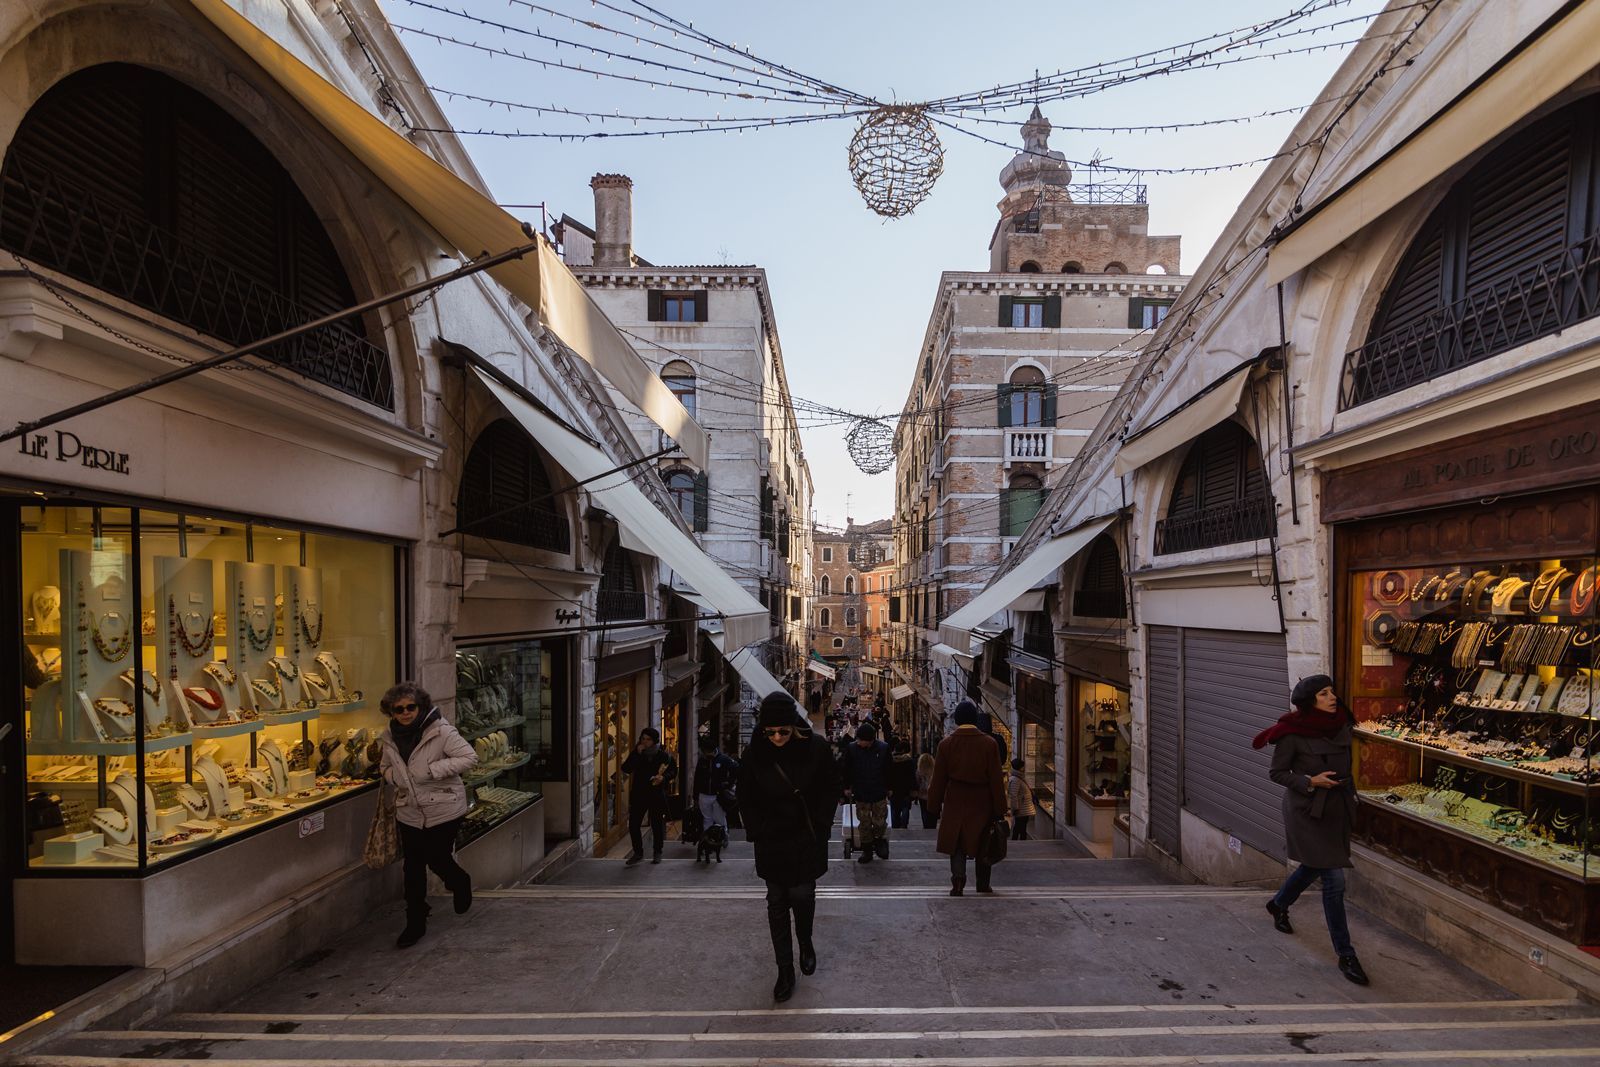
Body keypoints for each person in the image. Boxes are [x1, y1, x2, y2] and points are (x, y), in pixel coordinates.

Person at [1252, 674, 1368, 986]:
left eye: (1332, 691)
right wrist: (1310, 781)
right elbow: (1277, 772)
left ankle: (1278, 904)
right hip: (1307, 811)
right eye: (1324, 694)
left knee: (1313, 866)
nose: (1332, 698)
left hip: (1337, 810)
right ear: (1309, 702)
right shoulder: (1292, 733)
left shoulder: (1342, 724)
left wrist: (1352, 797)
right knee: (1334, 880)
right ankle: (1346, 954)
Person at [739, 692, 841, 1002]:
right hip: (771, 838)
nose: (777, 738)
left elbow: (831, 786)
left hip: (806, 835)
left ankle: (805, 941)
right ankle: (784, 969)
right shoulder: (754, 753)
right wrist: (757, 829)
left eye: (783, 731)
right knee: (777, 903)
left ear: (794, 727)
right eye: (770, 732)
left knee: (802, 895)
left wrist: (821, 824)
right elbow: (745, 794)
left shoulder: (817, 748)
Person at [377, 682, 478, 948]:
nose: (405, 713)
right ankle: (415, 920)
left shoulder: (440, 731)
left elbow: (469, 757)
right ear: (391, 712)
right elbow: (384, 767)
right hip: (409, 810)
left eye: (410, 707)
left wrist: (433, 770)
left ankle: (459, 881)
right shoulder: (389, 737)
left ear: (421, 707)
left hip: (444, 807)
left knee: (437, 858)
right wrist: (394, 777)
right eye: (398, 709)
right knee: (412, 867)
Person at [929, 700, 1007, 895]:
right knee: (983, 841)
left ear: (957, 719)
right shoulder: (989, 744)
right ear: (974, 719)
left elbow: (938, 779)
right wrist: (1000, 808)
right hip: (982, 801)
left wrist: (933, 805)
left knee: (957, 842)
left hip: (955, 799)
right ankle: (983, 883)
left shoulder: (946, 744)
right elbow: (996, 779)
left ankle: (958, 880)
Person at [621, 726, 677, 866]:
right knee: (634, 824)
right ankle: (638, 852)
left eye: (648, 739)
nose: (644, 742)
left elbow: (672, 771)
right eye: (643, 739)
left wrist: (663, 778)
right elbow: (626, 768)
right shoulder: (638, 753)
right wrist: (636, 754)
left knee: (657, 824)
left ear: (654, 741)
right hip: (639, 794)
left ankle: (657, 851)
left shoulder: (663, 756)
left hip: (656, 794)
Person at [840, 722, 892, 862]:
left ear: (869, 740)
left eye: (860, 740)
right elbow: (846, 769)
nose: (858, 742)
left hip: (878, 791)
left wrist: (889, 787)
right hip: (861, 792)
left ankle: (879, 841)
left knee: (880, 821)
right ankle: (867, 849)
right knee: (864, 823)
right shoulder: (852, 749)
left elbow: (889, 769)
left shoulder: (883, 748)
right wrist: (846, 787)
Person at [693, 734, 739, 835]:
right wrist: (695, 796)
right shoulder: (702, 760)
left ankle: (723, 837)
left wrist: (729, 783)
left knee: (719, 818)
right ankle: (708, 838)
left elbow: (736, 769)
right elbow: (697, 778)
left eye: (708, 752)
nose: (707, 754)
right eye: (705, 752)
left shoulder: (723, 759)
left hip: (718, 794)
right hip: (704, 794)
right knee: (707, 819)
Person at [887, 738, 917, 830]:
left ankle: (895, 825)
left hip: (894, 788)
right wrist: (914, 788)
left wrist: (888, 788)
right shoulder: (909, 761)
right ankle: (904, 825)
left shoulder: (890, 760)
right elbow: (912, 776)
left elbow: (887, 775)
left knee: (894, 808)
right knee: (905, 807)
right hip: (906, 788)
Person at [1008, 758, 1037, 840]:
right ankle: (1019, 841)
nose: (1024, 768)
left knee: (1020, 827)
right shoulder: (1015, 779)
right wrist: (1016, 808)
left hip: (1023, 807)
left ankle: (1018, 841)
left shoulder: (1019, 777)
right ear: (1020, 767)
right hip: (1021, 808)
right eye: (1023, 766)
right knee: (1020, 827)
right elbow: (1013, 795)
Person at [915, 752, 938, 829]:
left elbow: (917, 782)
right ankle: (932, 825)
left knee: (924, 811)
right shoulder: (935, 770)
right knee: (933, 811)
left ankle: (926, 825)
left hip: (922, 795)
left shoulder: (919, 771)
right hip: (933, 794)